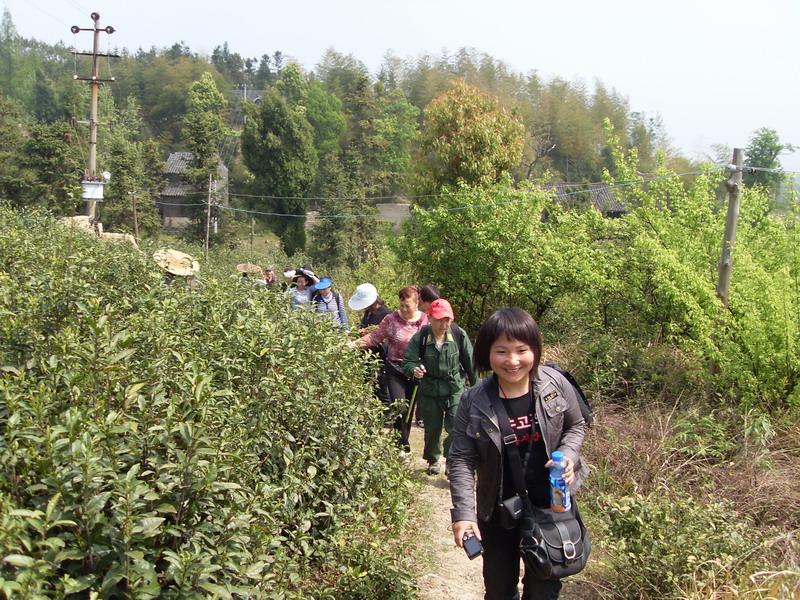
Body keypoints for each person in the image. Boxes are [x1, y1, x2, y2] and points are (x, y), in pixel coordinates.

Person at [449, 307, 589, 600]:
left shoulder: (555, 384)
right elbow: (461, 458)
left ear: (535, 350)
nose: (512, 361)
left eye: (521, 350)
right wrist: (463, 514)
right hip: (498, 511)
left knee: (544, 588)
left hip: (552, 507)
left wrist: (569, 455)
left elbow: (576, 425)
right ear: (487, 353)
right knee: (499, 590)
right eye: (501, 351)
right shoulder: (474, 400)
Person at [351, 285, 428, 452]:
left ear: (417, 303)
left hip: (416, 370)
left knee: (408, 410)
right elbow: (374, 336)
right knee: (400, 406)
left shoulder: (425, 321)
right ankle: (400, 444)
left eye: (408, 305)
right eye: (401, 305)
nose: (404, 309)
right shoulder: (391, 319)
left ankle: (402, 440)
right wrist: (353, 344)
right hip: (395, 367)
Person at [402, 299, 474, 475]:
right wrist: (414, 370)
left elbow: (471, 364)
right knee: (432, 428)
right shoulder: (421, 337)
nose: (444, 324)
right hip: (430, 389)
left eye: (448, 320)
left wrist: (478, 388)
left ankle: (452, 460)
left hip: (454, 387)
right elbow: (408, 362)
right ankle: (433, 459)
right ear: (430, 318)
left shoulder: (458, 334)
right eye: (440, 319)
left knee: (456, 426)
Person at [349, 283, 392, 406]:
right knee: (372, 388)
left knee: (382, 389)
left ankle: (388, 420)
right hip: (368, 356)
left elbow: (376, 335)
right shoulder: (369, 312)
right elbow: (363, 328)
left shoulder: (385, 314)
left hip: (380, 358)